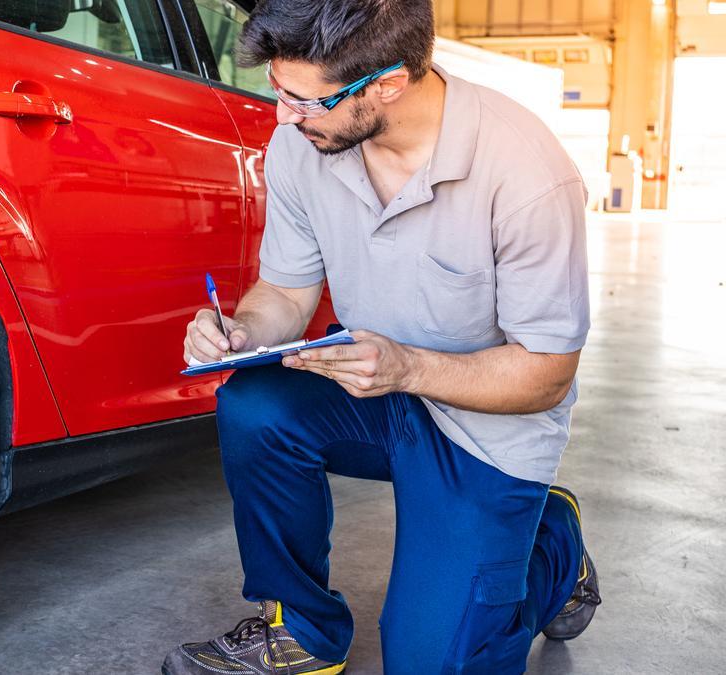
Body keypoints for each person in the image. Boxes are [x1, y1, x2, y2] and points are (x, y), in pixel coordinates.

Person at [166, 1, 601, 673]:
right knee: (255, 405)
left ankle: (555, 546)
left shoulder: (525, 172)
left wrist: (406, 367)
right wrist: (240, 329)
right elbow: (285, 292)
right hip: (375, 387)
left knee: (431, 662)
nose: (283, 115)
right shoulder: (303, 144)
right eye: (277, 92)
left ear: (388, 84)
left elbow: (547, 373)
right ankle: (304, 630)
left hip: (488, 427)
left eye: (303, 100)